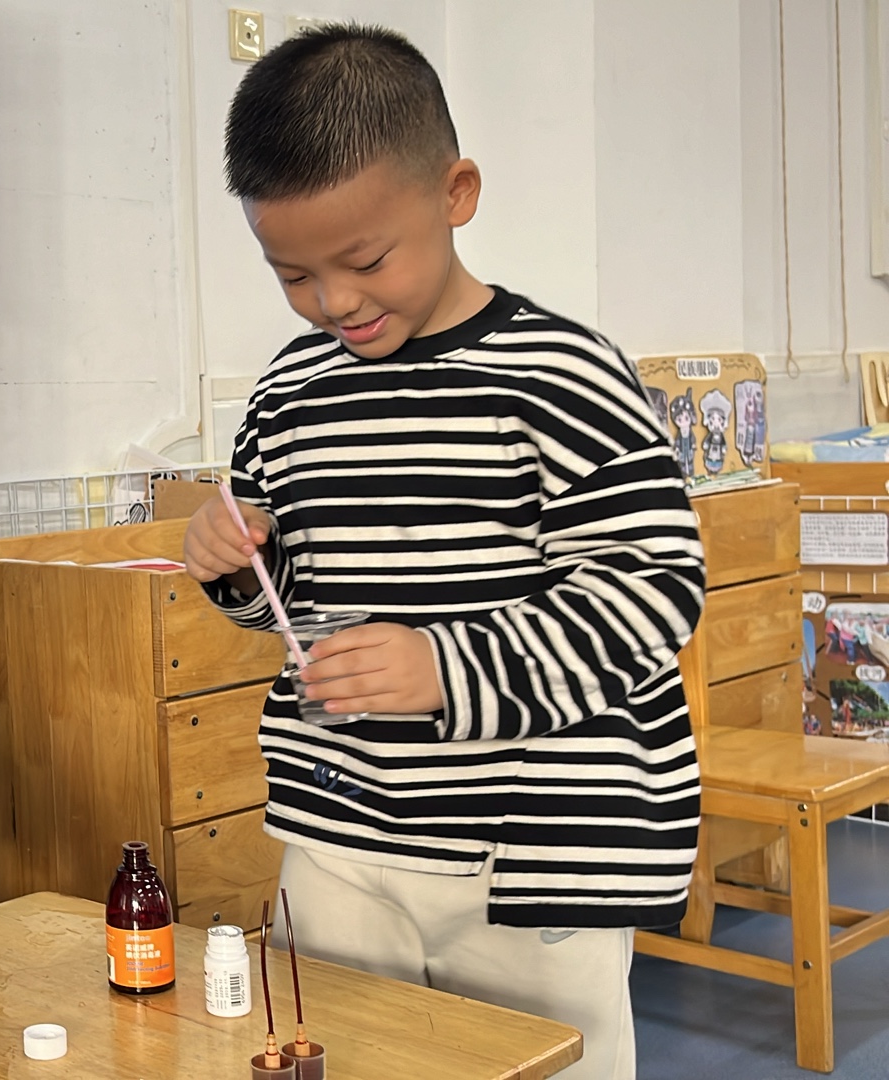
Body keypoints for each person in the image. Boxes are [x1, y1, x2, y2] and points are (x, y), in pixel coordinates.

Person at [181, 26, 704, 1080]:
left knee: (542, 1064)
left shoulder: (561, 373)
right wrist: (237, 566)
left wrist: (445, 668)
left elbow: (654, 589)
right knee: (342, 1059)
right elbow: (290, 605)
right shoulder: (289, 392)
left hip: (537, 854)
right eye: (293, 275)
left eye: (366, 261)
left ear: (456, 193)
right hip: (341, 834)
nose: (334, 301)